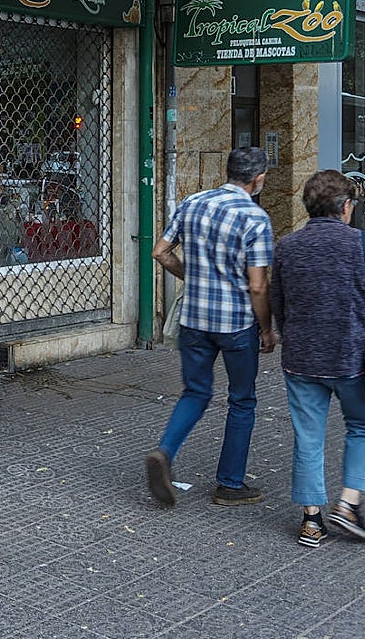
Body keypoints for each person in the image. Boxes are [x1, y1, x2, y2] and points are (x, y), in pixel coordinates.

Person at [271, 170, 365, 547]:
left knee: (308, 437)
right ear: (345, 207)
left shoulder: (287, 247)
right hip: (352, 358)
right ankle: (348, 504)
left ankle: (311, 521)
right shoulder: (363, 244)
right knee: (362, 426)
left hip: (300, 359)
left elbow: (279, 303)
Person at [145, 147, 276, 507]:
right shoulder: (256, 218)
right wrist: (267, 329)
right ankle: (230, 484)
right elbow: (258, 285)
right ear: (258, 178)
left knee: (195, 392)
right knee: (242, 400)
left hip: (194, 321)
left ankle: (165, 452)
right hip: (236, 324)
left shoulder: (193, 203)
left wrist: (196, 277)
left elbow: (160, 252)